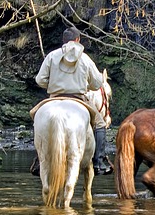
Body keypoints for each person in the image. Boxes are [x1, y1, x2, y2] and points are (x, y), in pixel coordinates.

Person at [32, 26, 112, 176]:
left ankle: (39, 160)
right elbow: (97, 84)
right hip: (79, 98)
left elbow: (40, 80)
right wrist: (84, 85)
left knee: (36, 118)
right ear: (77, 40)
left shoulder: (52, 55)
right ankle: (98, 162)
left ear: (64, 41)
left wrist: (52, 85)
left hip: (54, 98)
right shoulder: (85, 58)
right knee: (100, 124)